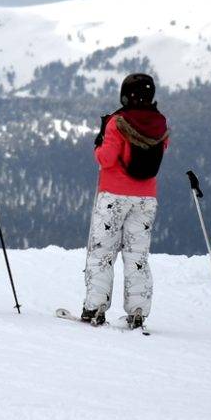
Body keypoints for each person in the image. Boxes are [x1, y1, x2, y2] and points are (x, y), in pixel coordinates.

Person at [81, 73, 169, 329]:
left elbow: (106, 158)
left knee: (102, 253)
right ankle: (138, 310)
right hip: (146, 199)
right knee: (137, 255)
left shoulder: (117, 122)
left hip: (113, 197)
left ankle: (95, 307)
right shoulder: (160, 124)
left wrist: (98, 146)